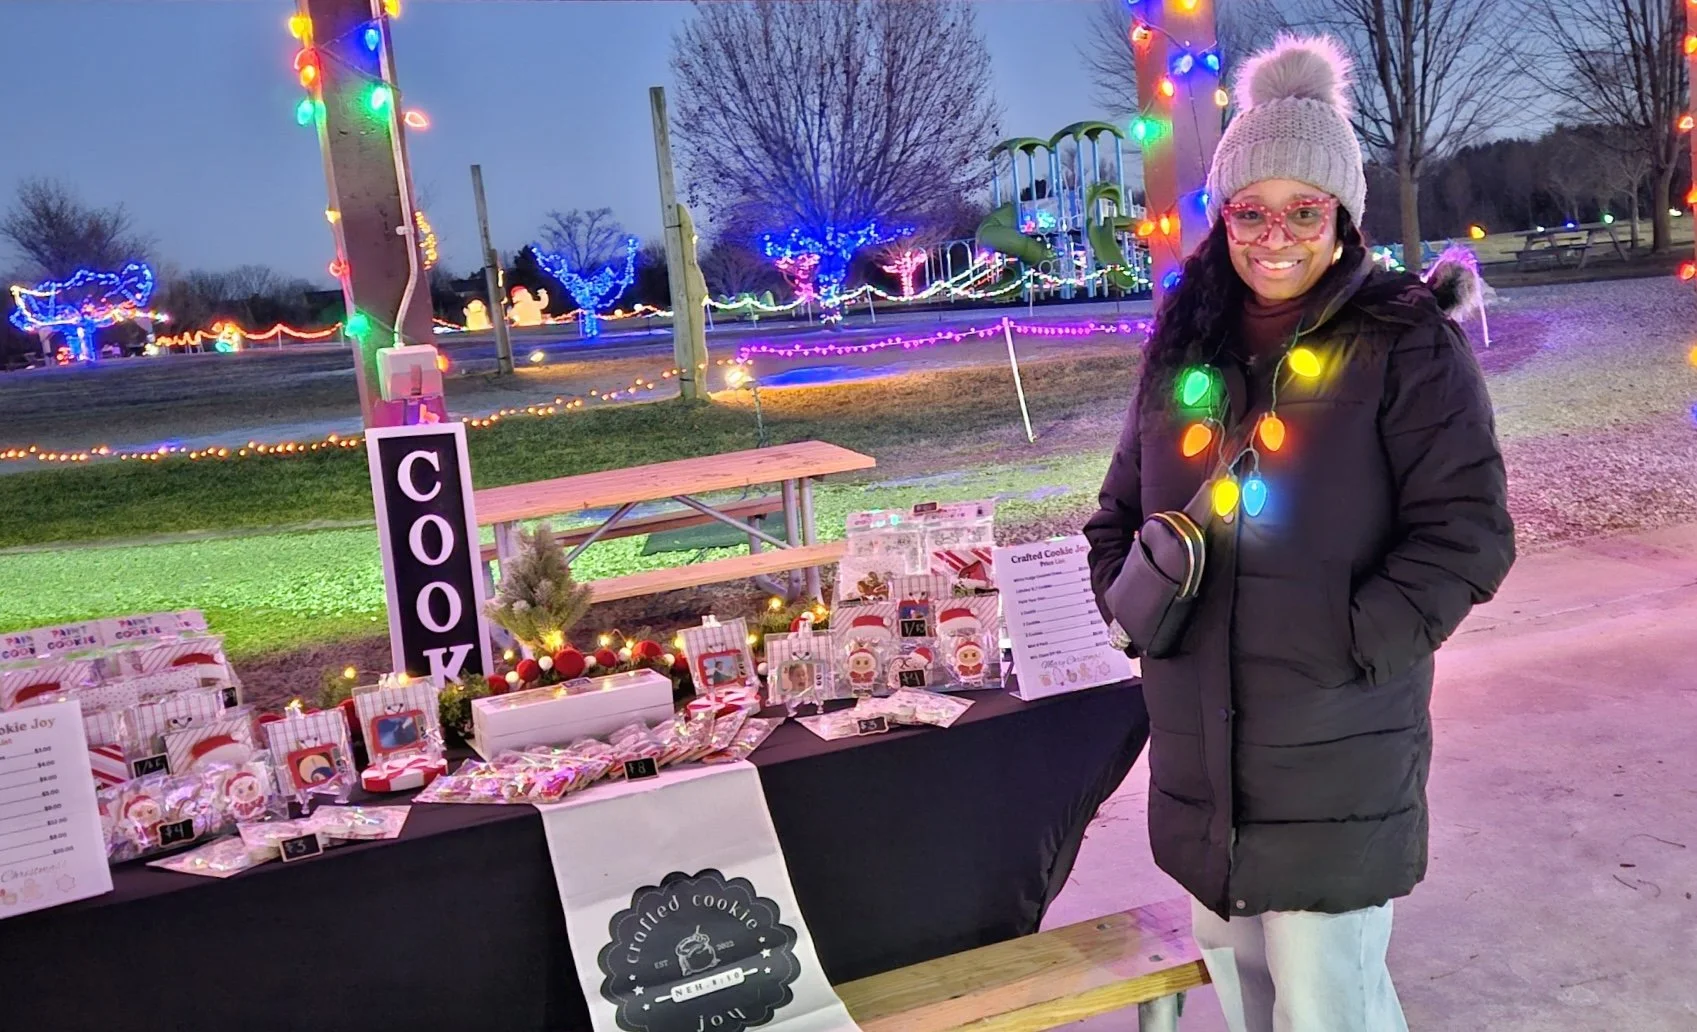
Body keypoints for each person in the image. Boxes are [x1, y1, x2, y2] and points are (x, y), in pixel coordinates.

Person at [1083, 35, 1515, 1032]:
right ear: (1223, 216)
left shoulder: (1403, 340)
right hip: (1200, 758)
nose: (1274, 235)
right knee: (1244, 995)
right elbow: (1115, 513)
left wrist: (1349, 640)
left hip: (1335, 751)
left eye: (1303, 210)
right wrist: (1133, 607)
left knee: (1328, 1005)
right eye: (1251, 210)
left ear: (1340, 216)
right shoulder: (1182, 347)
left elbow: (1465, 531)